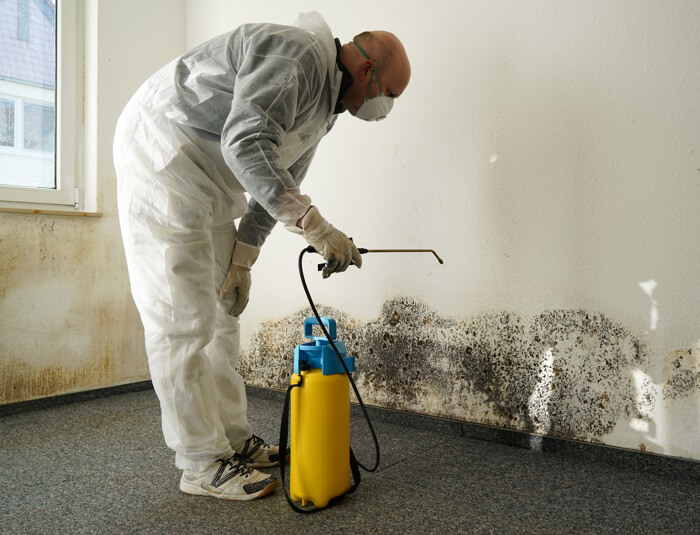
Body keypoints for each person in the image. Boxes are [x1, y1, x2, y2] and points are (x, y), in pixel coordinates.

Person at [113, 11, 411, 502]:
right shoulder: (296, 58)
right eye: (389, 94)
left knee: (222, 316)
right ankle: (200, 461)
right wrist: (318, 229)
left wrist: (242, 262)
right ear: (366, 73)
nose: (384, 106)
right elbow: (245, 143)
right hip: (163, 158)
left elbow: (278, 183)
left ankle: (232, 439)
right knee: (182, 319)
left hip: (206, 182)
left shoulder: (326, 109)